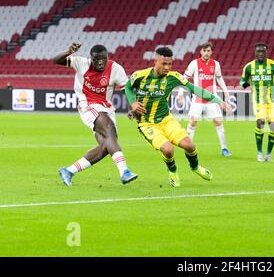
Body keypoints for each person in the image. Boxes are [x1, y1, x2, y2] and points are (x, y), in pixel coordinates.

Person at [125, 47, 231, 187]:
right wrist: (132, 102)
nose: (167, 67)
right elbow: (127, 87)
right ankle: (173, 171)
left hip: (166, 120)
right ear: (155, 61)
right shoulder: (140, 76)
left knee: (189, 145)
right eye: (164, 64)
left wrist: (219, 101)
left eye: (170, 64)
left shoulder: (173, 77)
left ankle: (195, 167)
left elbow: (196, 90)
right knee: (168, 150)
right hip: (147, 124)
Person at [54, 42, 138, 186]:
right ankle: (124, 171)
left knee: (108, 145)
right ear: (91, 58)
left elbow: (127, 89)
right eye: (97, 59)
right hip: (87, 105)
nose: (100, 62)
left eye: (103, 58)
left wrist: (132, 108)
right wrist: (68, 51)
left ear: (107, 57)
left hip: (106, 107)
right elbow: (56, 60)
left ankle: (68, 170)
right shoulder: (81, 63)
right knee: (109, 130)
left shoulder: (116, 69)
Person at [176, 42, 232, 157]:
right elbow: (184, 78)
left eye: (208, 51)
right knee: (193, 122)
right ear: (201, 51)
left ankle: (224, 148)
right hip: (197, 98)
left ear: (211, 52)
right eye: (204, 50)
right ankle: (189, 148)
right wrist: (180, 93)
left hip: (212, 98)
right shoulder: (194, 63)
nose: (206, 53)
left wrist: (226, 91)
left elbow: (219, 79)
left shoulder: (215, 64)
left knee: (218, 121)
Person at [240, 43, 274, 162]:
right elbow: (242, 80)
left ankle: (269, 154)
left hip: (273, 99)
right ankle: (259, 152)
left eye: (263, 51)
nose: (260, 54)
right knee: (260, 123)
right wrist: (244, 84)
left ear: (266, 52)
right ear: (255, 52)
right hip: (258, 100)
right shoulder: (249, 67)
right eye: (258, 51)